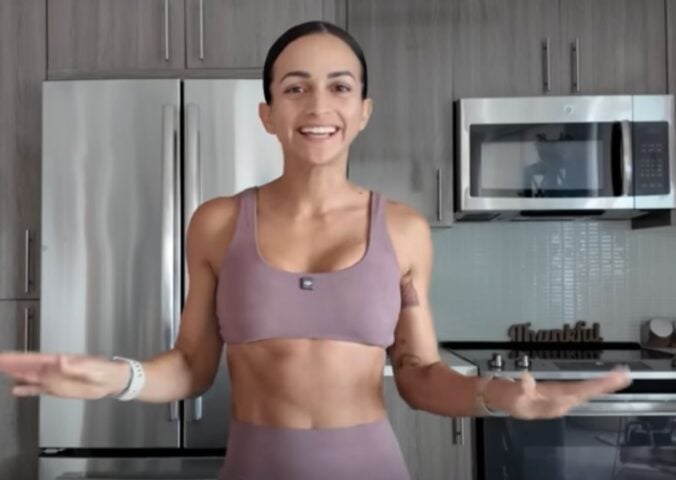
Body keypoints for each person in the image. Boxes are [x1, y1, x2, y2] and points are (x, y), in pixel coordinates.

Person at [0, 21, 631, 480]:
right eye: (296, 88)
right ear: (267, 113)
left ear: (363, 112)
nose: (318, 105)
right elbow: (192, 365)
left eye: (339, 87)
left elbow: (417, 375)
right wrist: (120, 377)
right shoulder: (218, 223)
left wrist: (494, 395)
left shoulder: (402, 230)